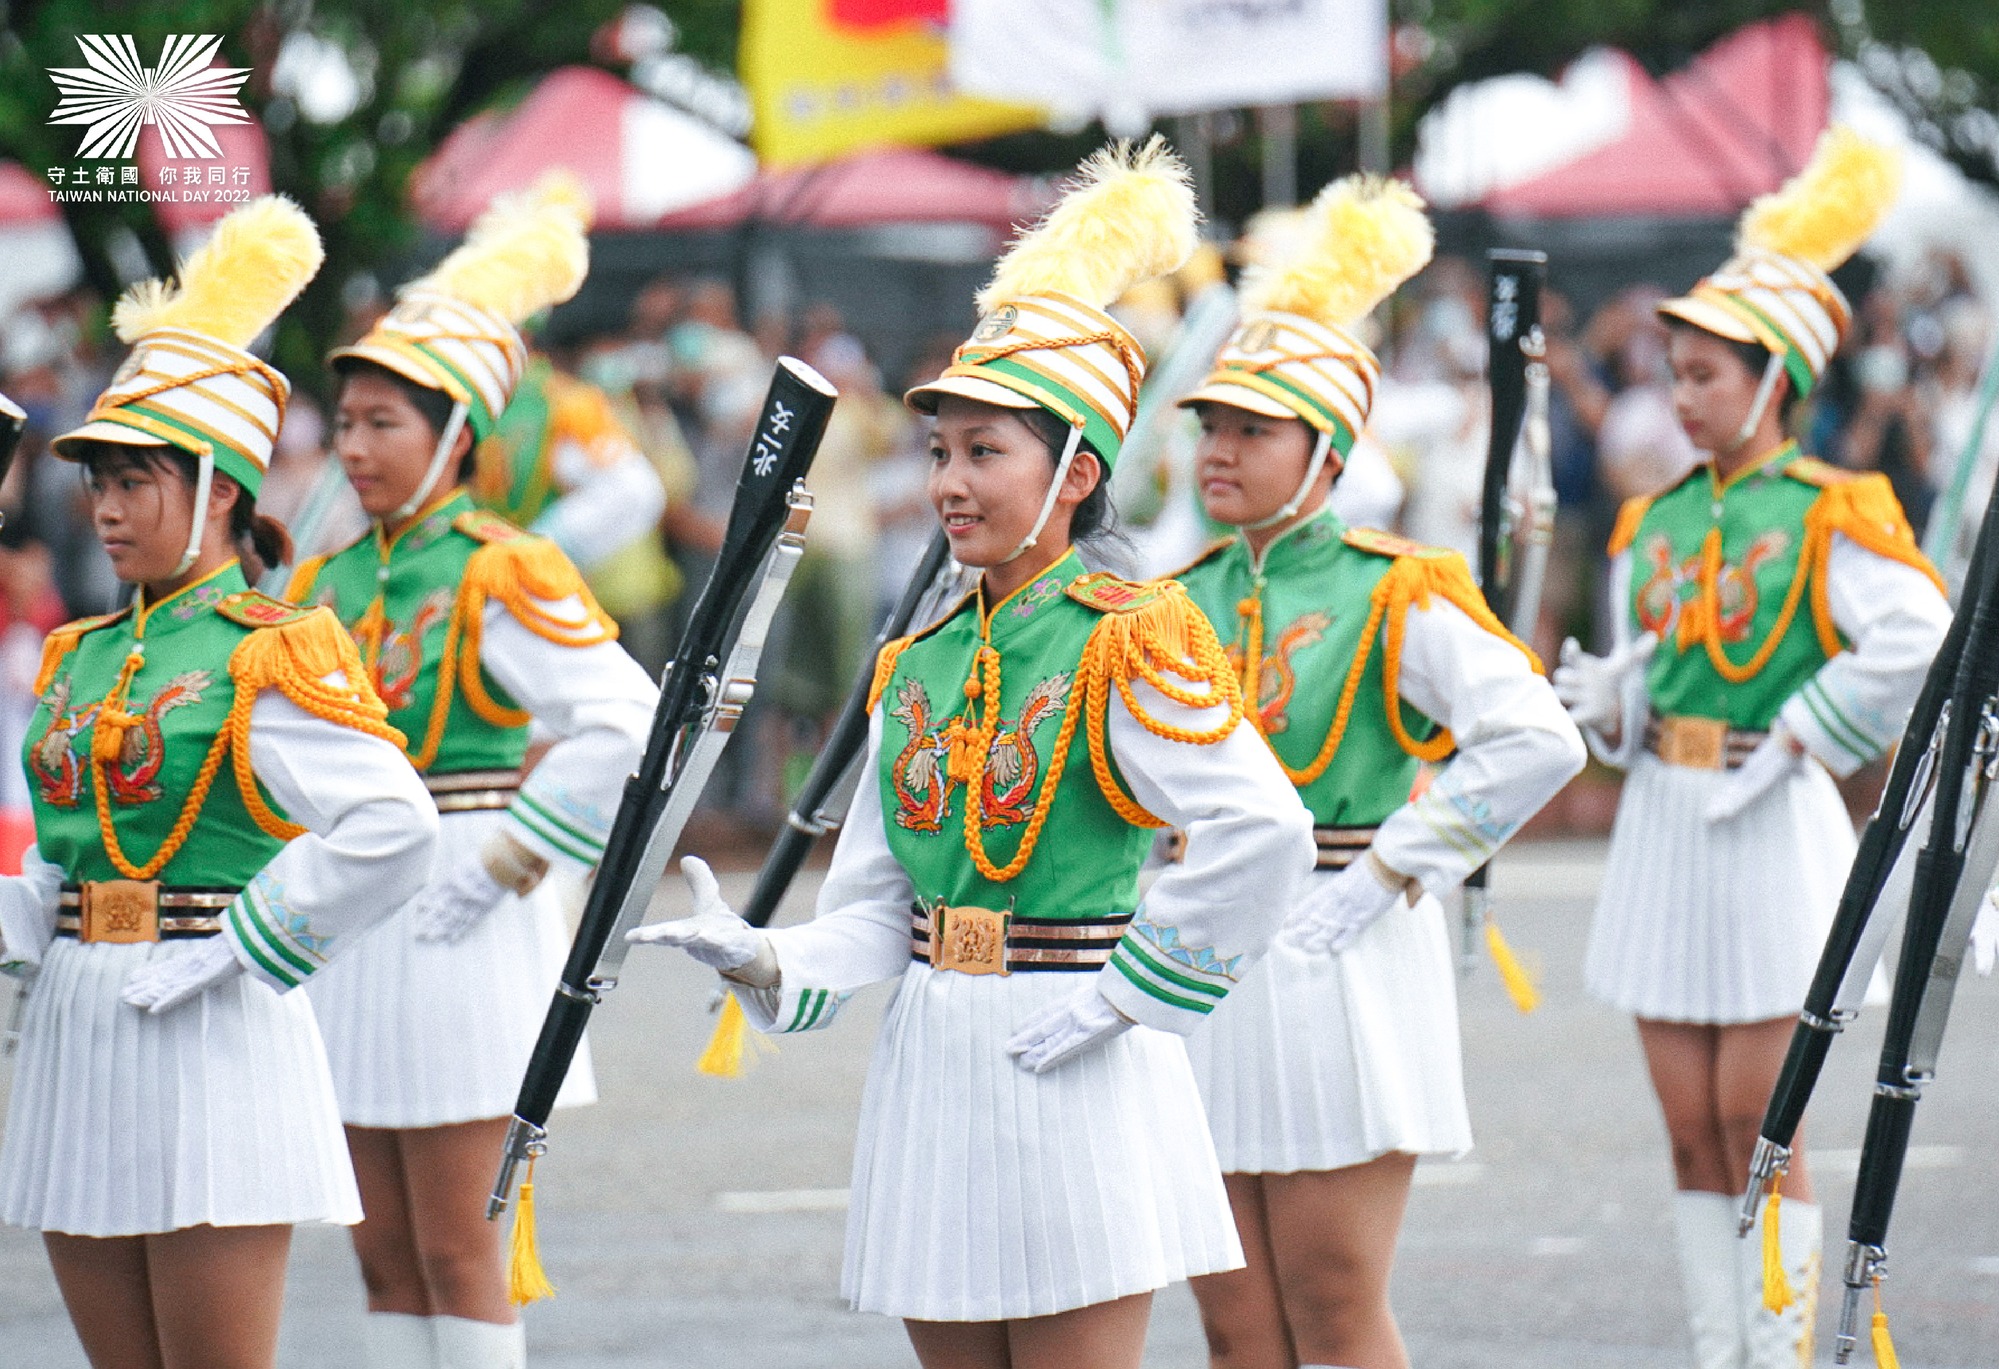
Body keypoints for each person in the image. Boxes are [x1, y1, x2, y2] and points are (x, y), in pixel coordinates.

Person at [627, 139, 1315, 1369]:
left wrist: (1133, 992)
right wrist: (767, 953)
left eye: (983, 451)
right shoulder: (919, 661)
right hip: (933, 1062)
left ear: (1076, 473)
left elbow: (1266, 830)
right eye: (940, 451)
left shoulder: (1129, 635)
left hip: (1076, 1049)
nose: (947, 480)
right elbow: (879, 909)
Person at [0, 197, 438, 1369]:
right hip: (81, 1017)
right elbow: (57, 850)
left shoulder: (266, 647)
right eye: (98, 483)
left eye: (136, 482)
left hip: (212, 1018)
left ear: (221, 490)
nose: (105, 508)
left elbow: (395, 824)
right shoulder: (78, 652)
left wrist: (258, 942)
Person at [1169, 176, 1586, 1369]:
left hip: (1336, 946)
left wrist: (1395, 869)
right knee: (1234, 1324)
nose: (1220, 450)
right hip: (1199, 944)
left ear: (1327, 451)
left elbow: (1535, 736)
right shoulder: (1173, 598)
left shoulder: (1390, 587)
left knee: (1334, 1301)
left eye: (1253, 430)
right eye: (1211, 426)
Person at [1556, 128, 1951, 1369]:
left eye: (1703, 375)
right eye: (1669, 372)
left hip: (1768, 817)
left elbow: (1916, 634)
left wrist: (1799, 734)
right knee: (1685, 1132)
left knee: (1756, 1121)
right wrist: (1611, 700)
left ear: (1772, 379)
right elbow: (1649, 669)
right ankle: (1718, 1349)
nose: (1677, 397)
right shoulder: (1651, 521)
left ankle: (1777, 1355)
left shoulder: (1832, 508)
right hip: (1667, 819)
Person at [286, 176, 659, 1368]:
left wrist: (512, 854)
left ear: (457, 435)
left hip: (463, 902)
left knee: (460, 1245)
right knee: (379, 1249)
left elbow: (623, 718)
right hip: (350, 910)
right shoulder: (324, 579)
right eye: (345, 423)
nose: (354, 447)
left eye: (384, 423)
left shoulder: (503, 568)